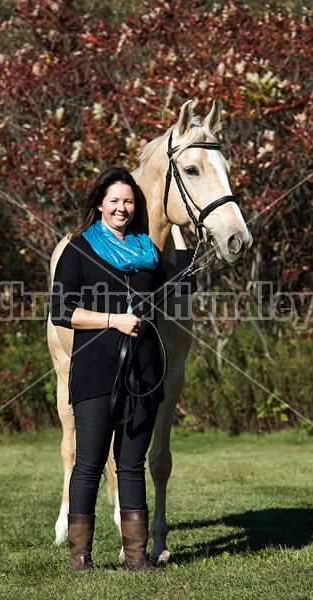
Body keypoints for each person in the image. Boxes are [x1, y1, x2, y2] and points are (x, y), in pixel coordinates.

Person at [50, 167, 196, 572]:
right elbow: (61, 311)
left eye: (128, 201)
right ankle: (80, 557)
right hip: (96, 371)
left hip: (144, 376)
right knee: (90, 465)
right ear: (99, 204)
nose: (122, 208)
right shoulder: (79, 249)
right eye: (114, 200)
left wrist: (179, 227)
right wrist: (113, 320)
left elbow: (184, 284)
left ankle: (136, 557)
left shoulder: (147, 251)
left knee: (132, 465)